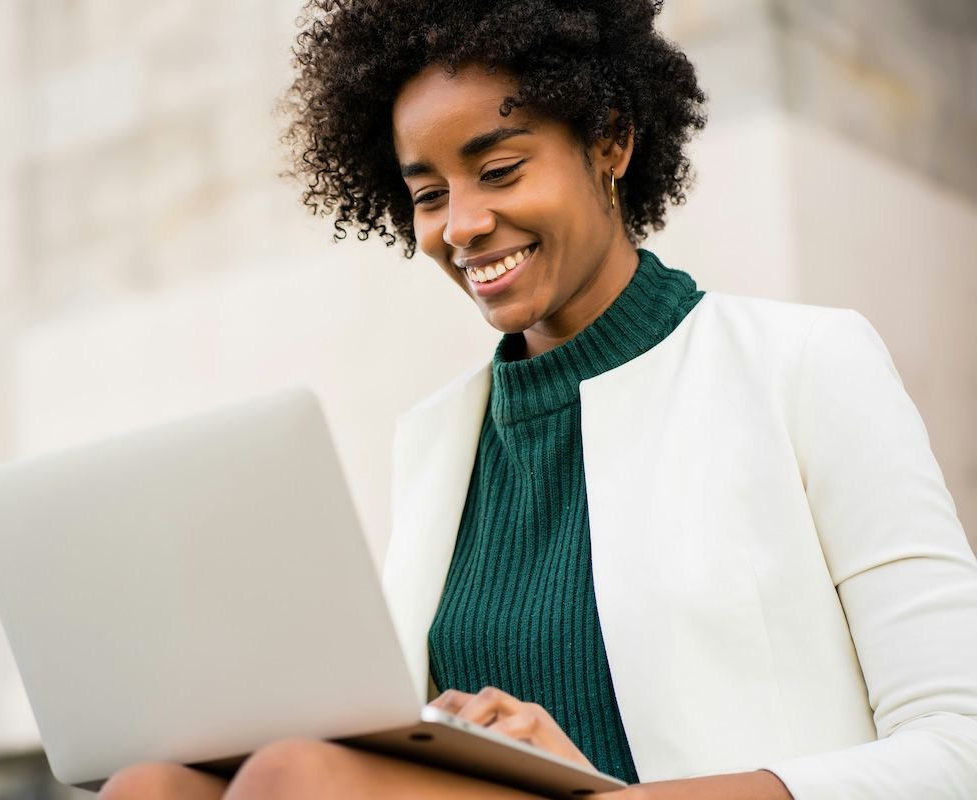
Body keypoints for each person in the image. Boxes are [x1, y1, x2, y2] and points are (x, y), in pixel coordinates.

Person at [99, 1, 977, 797]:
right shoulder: (440, 442)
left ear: (611, 143)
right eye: (429, 194)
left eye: (502, 169)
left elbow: (957, 748)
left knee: (299, 778)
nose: (462, 225)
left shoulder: (806, 364)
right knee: (152, 787)